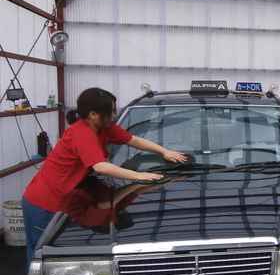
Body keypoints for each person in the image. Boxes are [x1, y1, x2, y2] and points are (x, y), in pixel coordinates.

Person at [22, 87, 187, 264]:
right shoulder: (82, 133)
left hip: (71, 201)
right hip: (44, 203)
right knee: (42, 257)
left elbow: (134, 140)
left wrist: (164, 151)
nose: (114, 115)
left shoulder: (105, 128)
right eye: (110, 111)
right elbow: (100, 167)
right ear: (93, 114)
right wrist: (138, 176)